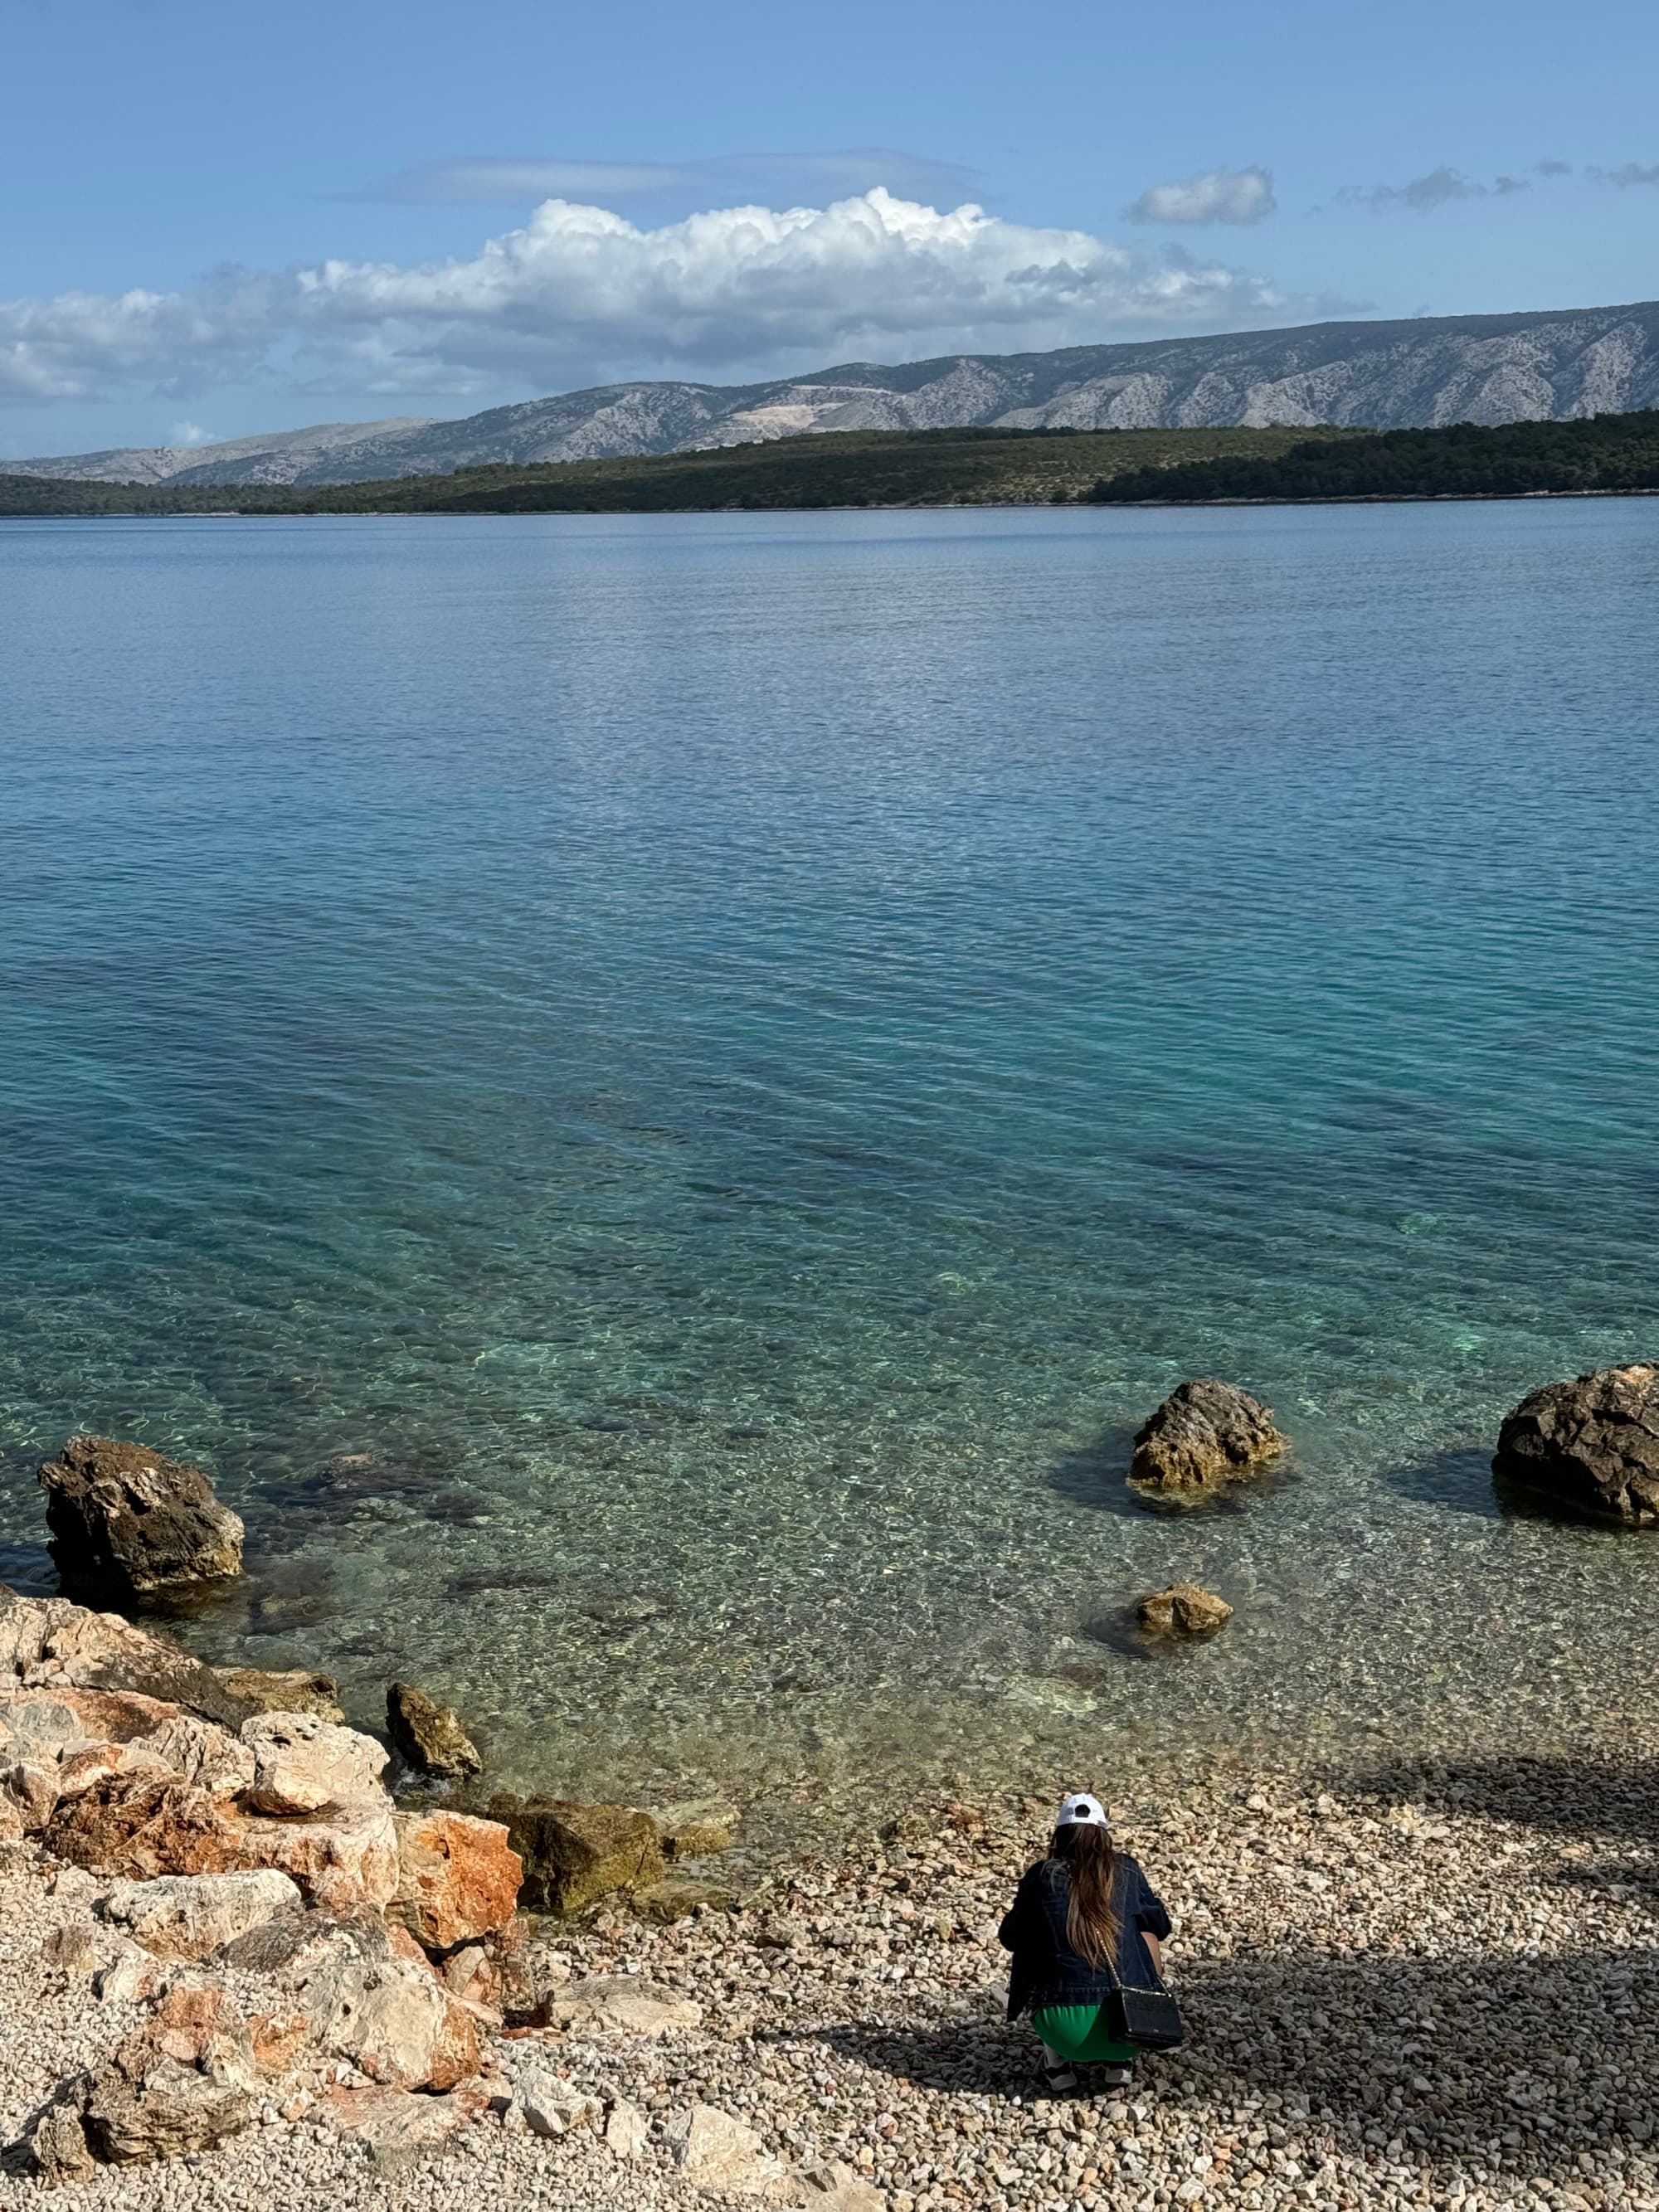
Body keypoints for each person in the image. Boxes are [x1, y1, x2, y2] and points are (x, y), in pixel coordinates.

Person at [998, 1790, 1173, 2093]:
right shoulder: (1127, 1870)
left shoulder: (1043, 1876)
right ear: (1103, 1834)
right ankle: (1118, 2063)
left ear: (1059, 1835)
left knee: (1036, 1940)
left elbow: (1010, 1938)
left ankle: (1057, 2065)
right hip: (1136, 2030)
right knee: (1144, 1934)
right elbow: (1161, 1925)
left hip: (1063, 2031)